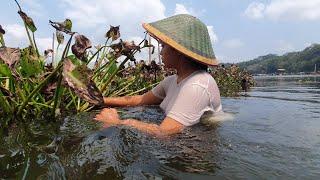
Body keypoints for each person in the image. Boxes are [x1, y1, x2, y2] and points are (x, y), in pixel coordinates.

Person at [95, 14, 222, 136]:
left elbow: (165, 133)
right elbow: (140, 100)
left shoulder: (197, 85)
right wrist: (99, 100)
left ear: (178, 50)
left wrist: (116, 122)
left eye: (163, 46)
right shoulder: (172, 81)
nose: (161, 52)